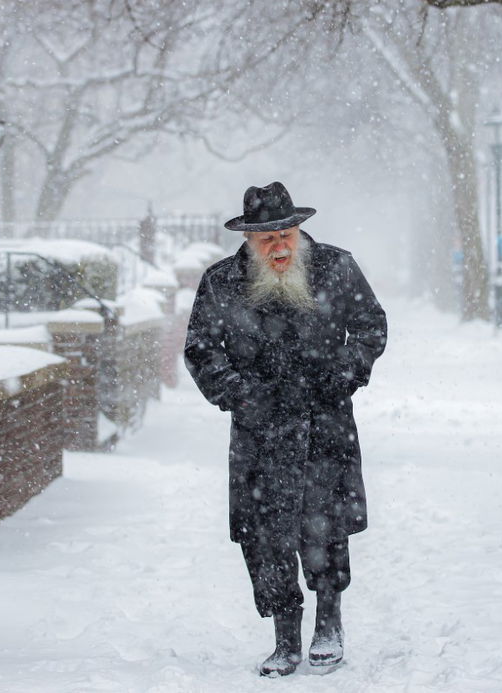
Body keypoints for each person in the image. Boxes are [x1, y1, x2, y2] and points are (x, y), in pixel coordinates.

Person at [185, 181, 387, 677]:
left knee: (325, 524)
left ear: (299, 231)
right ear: (249, 241)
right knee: (264, 534)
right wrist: (239, 395)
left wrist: (344, 372)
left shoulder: (336, 267)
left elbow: (371, 326)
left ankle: (329, 626)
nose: (279, 247)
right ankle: (284, 637)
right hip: (259, 430)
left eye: (287, 235)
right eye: (267, 239)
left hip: (325, 421)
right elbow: (201, 350)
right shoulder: (220, 282)